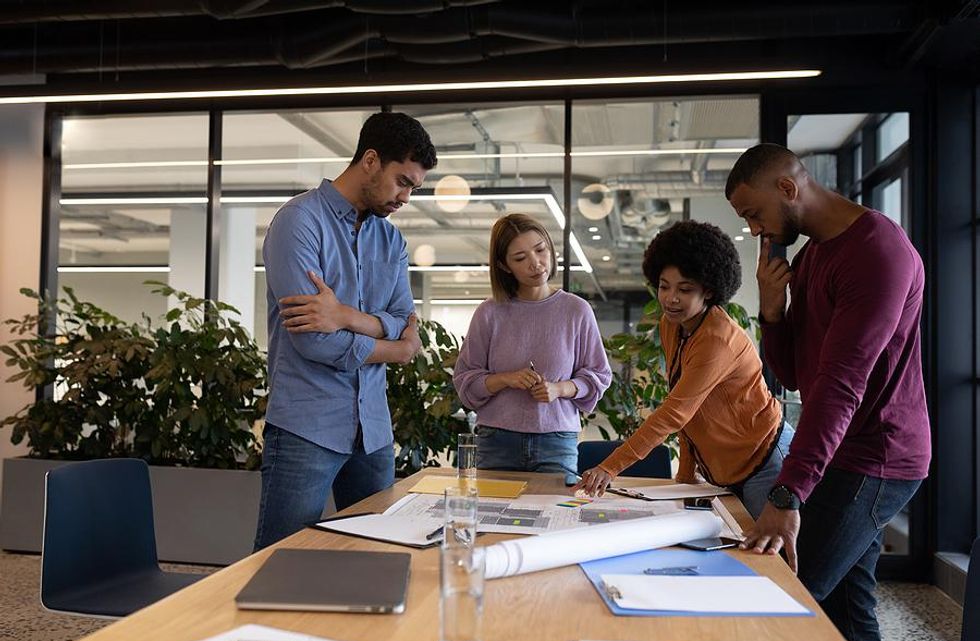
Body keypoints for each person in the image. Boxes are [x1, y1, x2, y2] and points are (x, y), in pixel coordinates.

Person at [727, 143, 930, 641]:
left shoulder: (875, 253)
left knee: (788, 601)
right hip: (840, 453)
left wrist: (786, 494)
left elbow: (842, 384)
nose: (754, 230)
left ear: (789, 189)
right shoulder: (814, 256)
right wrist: (772, 312)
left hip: (876, 459)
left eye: (754, 214)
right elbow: (798, 376)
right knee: (845, 611)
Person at [253, 112, 437, 550]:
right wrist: (394, 347)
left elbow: (407, 323)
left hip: (372, 428)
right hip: (306, 426)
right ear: (370, 160)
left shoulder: (390, 241)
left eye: (414, 186)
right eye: (402, 181)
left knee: (377, 555)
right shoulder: (299, 223)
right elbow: (316, 339)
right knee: (281, 560)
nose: (406, 197)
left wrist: (346, 316)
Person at [575, 221, 791, 519]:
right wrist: (686, 478)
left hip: (765, 459)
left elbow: (675, 412)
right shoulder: (671, 325)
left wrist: (609, 467)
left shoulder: (717, 339)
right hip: (722, 470)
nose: (670, 298)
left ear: (709, 291)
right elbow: (686, 405)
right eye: (664, 286)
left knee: (764, 559)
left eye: (684, 289)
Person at [453, 213, 612, 476]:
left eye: (540, 250)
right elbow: (466, 381)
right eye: (520, 258)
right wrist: (506, 379)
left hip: (556, 440)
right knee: (493, 516)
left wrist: (560, 388)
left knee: (557, 516)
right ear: (505, 266)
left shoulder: (576, 310)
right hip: (496, 441)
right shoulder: (489, 312)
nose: (536, 263)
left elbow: (598, 375)